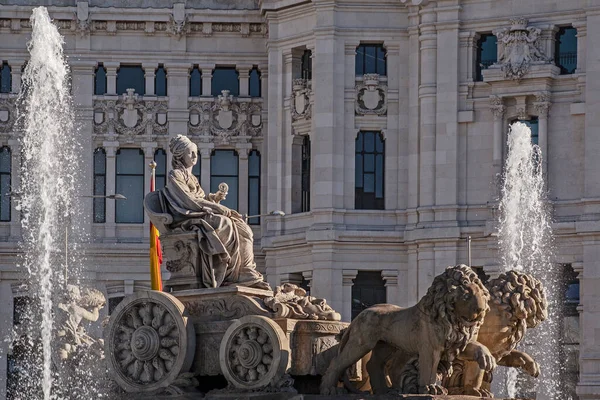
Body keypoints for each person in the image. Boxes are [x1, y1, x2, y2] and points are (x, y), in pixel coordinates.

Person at [160, 134, 270, 290]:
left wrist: (214, 199)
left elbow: (200, 198)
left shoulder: (192, 178)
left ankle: (244, 270)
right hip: (186, 218)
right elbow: (188, 200)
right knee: (225, 223)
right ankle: (228, 272)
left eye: (195, 153)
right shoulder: (176, 175)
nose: (194, 156)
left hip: (200, 214)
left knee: (242, 227)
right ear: (180, 154)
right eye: (190, 152)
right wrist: (218, 208)